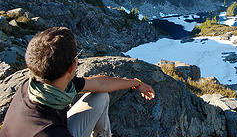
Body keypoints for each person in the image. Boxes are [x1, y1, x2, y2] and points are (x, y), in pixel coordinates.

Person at [0, 27, 155, 137]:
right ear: (71, 67)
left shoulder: (34, 85)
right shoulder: (50, 132)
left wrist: (135, 83)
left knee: (100, 96)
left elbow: (99, 84)